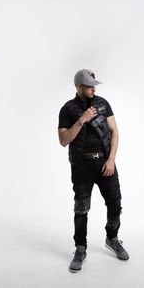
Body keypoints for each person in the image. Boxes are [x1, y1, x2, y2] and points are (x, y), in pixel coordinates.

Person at [58, 69, 129, 273]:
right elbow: (63, 141)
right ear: (78, 86)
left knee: (115, 203)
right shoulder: (68, 109)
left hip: (105, 163)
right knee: (81, 209)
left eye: (94, 85)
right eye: (89, 86)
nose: (93, 89)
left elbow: (115, 131)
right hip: (82, 167)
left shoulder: (102, 103)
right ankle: (80, 249)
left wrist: (112, 159)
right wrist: (82, 119)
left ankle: (112, 238)